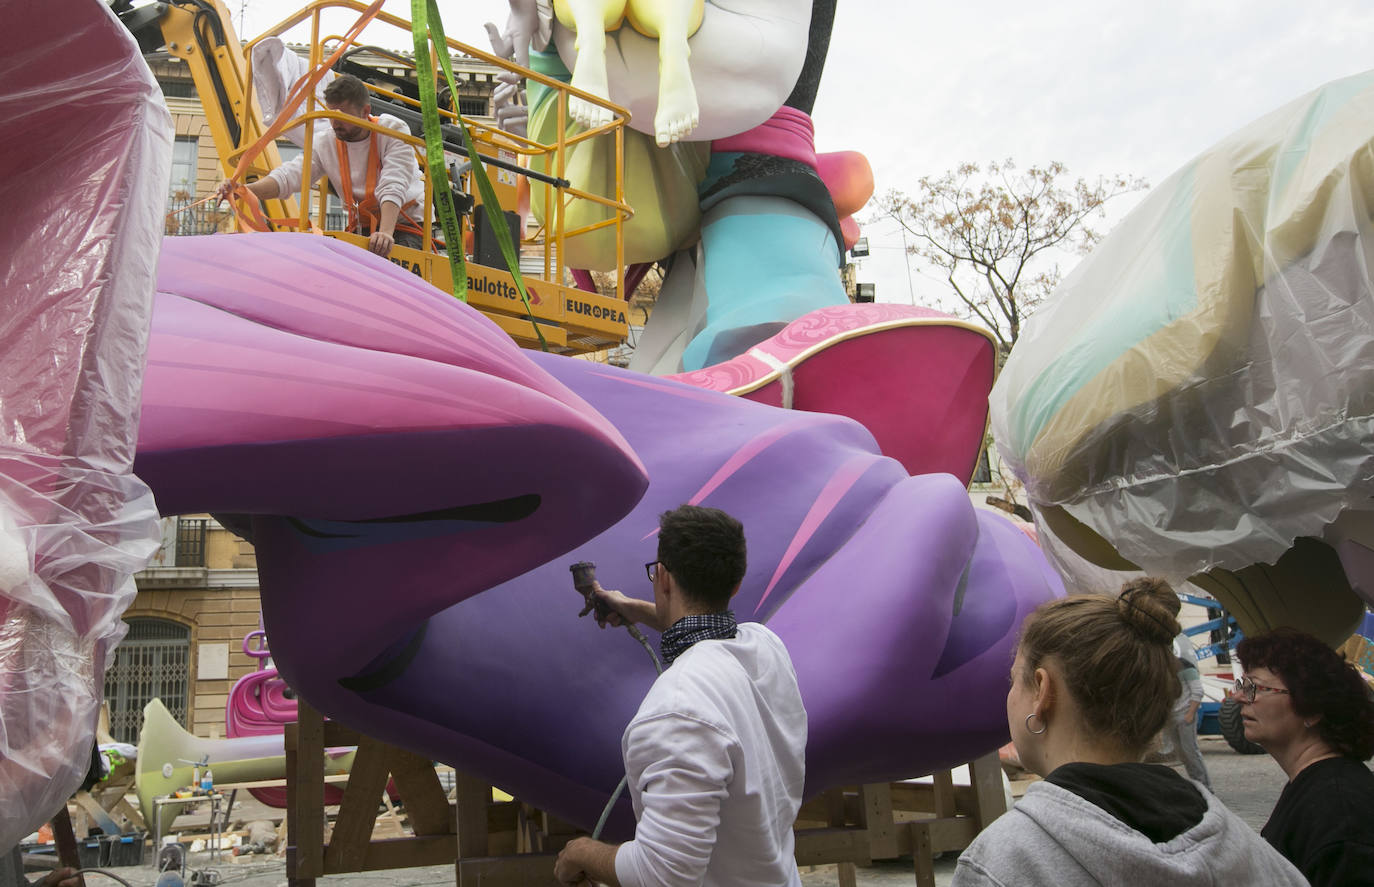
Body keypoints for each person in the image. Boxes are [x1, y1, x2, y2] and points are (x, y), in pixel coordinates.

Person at [952, 578, 1305, 886]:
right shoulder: (1253, 854)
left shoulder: (1001, 863)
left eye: (1015, 679)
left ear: (1043, 691)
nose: (1009, 694)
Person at [552, 504, 807, 886]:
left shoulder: (677, 709)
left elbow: (663, 873)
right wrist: (635, 609)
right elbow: (708, 631)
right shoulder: (767, 648)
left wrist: (582, 852)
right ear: (735, 584)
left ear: (664, 579)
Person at [216, 74, 427, 257]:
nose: (334, 123)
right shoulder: (326, 141)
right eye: (331, 114)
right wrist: (243, 191)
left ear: (365, 111)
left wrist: (386, 233)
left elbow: (393, 183)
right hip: (363, 230)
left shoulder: (392, 129)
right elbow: (291, 176)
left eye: (342, 115)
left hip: (404, 226)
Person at [1235, 627, 1374, 886]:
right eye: (1242, 685)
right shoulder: (1314, 785)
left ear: (1311, 708)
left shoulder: (1339, 811)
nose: (1238, 696)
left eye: (1255, 687)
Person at [1154, 589, 1212, 788]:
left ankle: (1205, 787)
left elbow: (1197, 690)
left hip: (1184, 716)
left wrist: (1190, 713)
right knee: (1181, 753)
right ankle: (1197, 786)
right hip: (1174, 717)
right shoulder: (1163, 667)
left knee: (1190, 752)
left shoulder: (1183, 665)